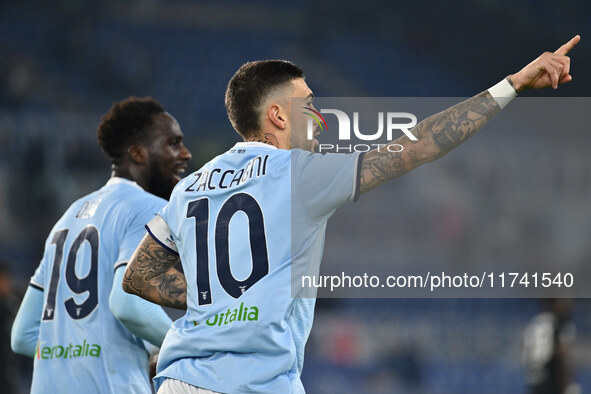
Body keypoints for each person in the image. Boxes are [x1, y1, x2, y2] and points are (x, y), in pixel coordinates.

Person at [122, 36, 580, 393]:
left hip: (179, 382)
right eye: (308, 105)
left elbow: (139, 275)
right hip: (254, 384)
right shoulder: (299, 172)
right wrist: (513, 84)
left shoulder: (191, 186)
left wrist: (216, 300)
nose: (319, 117)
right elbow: (419, 143)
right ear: (278, 116)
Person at [11, 96, 192, 393]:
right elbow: (127, 304)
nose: (185, 153)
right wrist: (190, 346)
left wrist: (83, 354)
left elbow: (23, 335)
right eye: (173, 143)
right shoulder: (147, 208)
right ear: (138, 153)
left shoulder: (67, 218)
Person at [522, 299, 580, 394]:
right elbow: (561, 358)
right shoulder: (558, 324)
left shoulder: (534, 323)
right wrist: (568, 387)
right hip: (553, 382)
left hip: (535, 381)